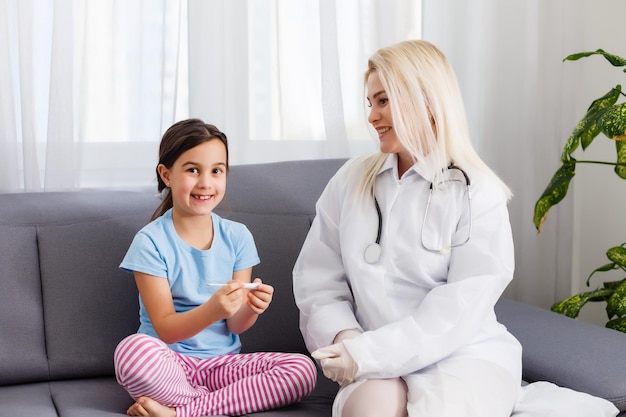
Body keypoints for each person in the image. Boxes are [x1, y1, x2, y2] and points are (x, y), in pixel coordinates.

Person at [293, 39, 521, 417]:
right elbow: (317, 277)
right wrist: (346, 340)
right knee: (367, 410)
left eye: (383, 101)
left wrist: (369, 353)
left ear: (426, 101)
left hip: (463, 355)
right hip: (368, 355)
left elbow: (463, 304)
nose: (372, 116)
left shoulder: (477, 191)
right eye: (371, 103)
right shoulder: (351, 180)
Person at [114, 118, 316, 417]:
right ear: (166, 174)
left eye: (216, 171)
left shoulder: (237, 237)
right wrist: (212, 310)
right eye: (192, 170)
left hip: (222, 366)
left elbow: (234, 325)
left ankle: (181, 412)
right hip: (168, 363)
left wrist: (251, 308)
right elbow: (166, 329)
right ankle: (212, 404)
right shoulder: (150, 242)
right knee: (131, 352)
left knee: (302, 369)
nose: (206, 183)